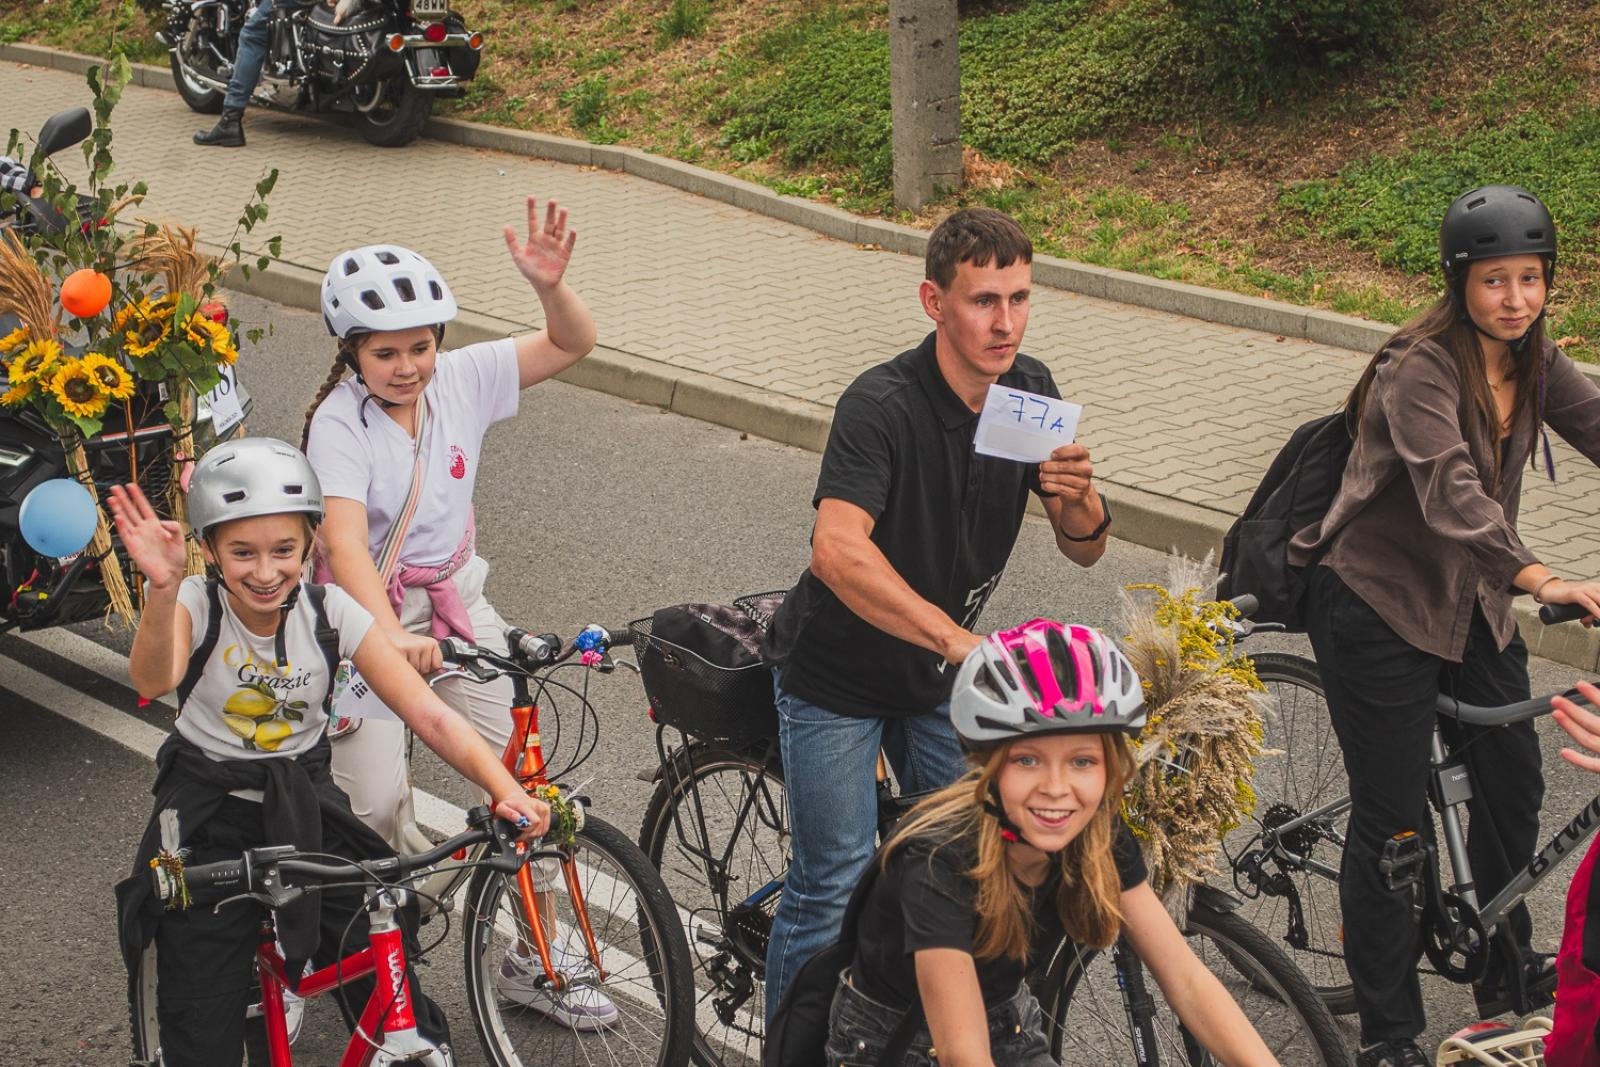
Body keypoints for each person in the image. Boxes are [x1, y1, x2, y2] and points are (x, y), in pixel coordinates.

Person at [761, 206, 1113, 1016]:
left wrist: (1080, 499)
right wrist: (959, 642)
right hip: (839, 676)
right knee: (834, 880)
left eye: (1020, 298)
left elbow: (1085, 548)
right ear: (934, 302)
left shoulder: (1026, 391)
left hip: (934, 674)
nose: (1006, 322)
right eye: (984, 300)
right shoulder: (881, 405)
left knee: (970, 861)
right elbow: (836, 550)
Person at [110, 438, 549, 1067]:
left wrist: (505, 790)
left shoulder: (331, 610)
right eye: (242, 552)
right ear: (209, 549)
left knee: (383, 953)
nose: (265, 572)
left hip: (307, 805)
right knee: (201, 1021)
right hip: (208, 813)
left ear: (311, 542)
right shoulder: (195, 603)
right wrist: (161, 587)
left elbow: (427, 713)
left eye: (284, 550)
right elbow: (153, 679)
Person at [1288, 184, 1600, 1067]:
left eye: (1531, 278)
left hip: (1472, 605)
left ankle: (1502, 973)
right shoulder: (1417, 368)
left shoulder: (1536, 360)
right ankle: (1388, 1030)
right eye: (1495, 280)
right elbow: (1452, 492)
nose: (1515, 299)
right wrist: (1542, 575)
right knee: (1393, 828)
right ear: (1460, 281)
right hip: (1378, 604)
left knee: (1513, 789)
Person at [301, 197, 606, 1027]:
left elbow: (572, 343)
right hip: (368, 618)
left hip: (457, 605)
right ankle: (314, 953)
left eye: (420, 347)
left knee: (527, 783)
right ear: (352, 351)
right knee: (368, 810)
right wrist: (389, 637)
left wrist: (551, 288)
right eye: (385, 352)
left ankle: (534, 956)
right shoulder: (339, 423)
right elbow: (344, 544)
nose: (407, 367)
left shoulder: (463, 378)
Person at [823, 619, 1278, 1067]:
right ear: (988, 768)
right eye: (1027, 760)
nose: (1057, 789)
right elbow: (962, 1054)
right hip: (895, 1045)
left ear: (1111, 769)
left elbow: (1188, 981)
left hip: (1006, 1018)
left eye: (1082, 761)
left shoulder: (1096, 832)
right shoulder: (939, 862)